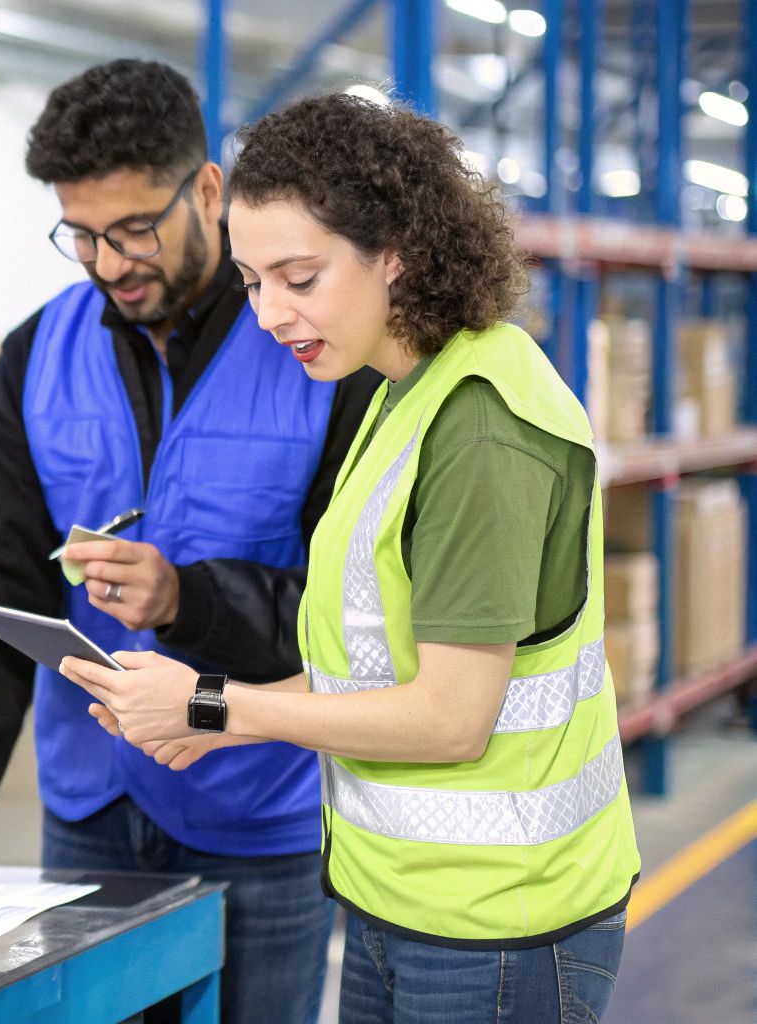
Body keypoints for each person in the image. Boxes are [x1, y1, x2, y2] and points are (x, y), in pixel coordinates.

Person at [61, 92, 640, 1024]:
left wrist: (213, 703)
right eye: (251, 281)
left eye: (299, 276)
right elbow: (367, 672)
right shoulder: (398, 392)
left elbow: (452, 719)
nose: (267, 314)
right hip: (396, 900)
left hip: (498, 925)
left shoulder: (480, 426)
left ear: (396, 253)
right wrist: (204, 719)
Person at [0, 60, 381, 1024]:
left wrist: (189, 600)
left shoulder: (318, 351)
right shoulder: (37, 356)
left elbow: (359, 623)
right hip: (90, 813)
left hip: (255, 814)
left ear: (207, 192)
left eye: (134, 228)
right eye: (81, 234)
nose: (108, 260)